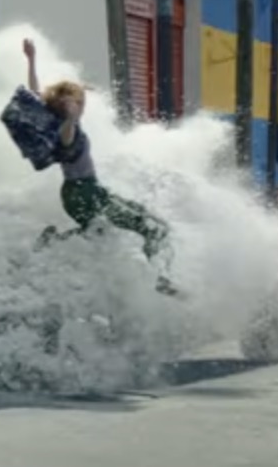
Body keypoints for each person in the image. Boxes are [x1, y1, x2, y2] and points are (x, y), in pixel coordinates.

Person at [21, 38, 179, 296]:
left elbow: (36, 94)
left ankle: (54, 241)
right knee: (152, 229)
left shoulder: (53, 120)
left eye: (78, 102)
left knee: (110, 228)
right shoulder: (66, 128)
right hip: (82, 193)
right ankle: (160, 280)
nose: (79, 106)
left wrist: (31, 60)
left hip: (87, 190)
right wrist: (71, 114)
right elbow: (67, 134)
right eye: (74, 103)